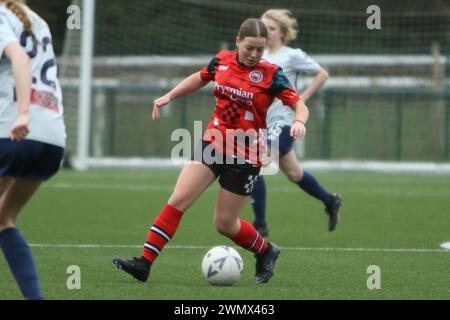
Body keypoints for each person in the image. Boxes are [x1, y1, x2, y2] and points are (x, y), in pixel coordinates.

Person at [113, 18, 309, 284]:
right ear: (237, 41)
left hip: (246, 156)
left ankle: (266, 250)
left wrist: (299, 121)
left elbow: (299, 104)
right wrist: (169, 96)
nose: (254, 55)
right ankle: (144, 264)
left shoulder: (271, 74)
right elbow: (200, 77)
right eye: (249, 47)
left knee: (224, 224)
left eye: (260, 50)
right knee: (178, 200)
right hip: (213, 143)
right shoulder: (222, 60)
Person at [250, 9, 342, 237]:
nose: (266, 32)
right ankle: (330, 200)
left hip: (285, 122)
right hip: (265, 124)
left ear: (282, 32)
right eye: (263, 28)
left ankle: (260, 223)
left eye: (271, 28)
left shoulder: (291, 55)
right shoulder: (257, 56)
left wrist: (304, 97)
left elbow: (322, 73)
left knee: (256, 163)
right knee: (294, 174)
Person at [0, 0, 66, 299]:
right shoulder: (37, 21)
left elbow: (19, 59)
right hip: (52, 139)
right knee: (4, 220)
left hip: (15, 131)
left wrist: (23, 112)